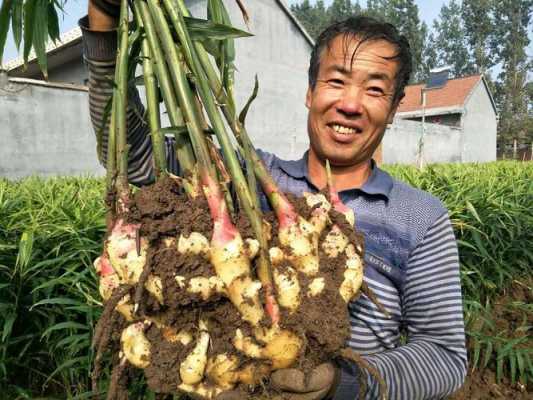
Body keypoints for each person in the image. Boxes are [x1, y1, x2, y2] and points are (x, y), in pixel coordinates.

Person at [81, 1, 467, 399]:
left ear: (393, 108)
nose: (351, 104)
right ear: (310, 91)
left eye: (374, 89)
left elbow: (445, 357)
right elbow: (131, 150)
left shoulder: (420, 217)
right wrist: (105, 28)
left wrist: (343, 383)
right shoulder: (243, 177)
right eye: (337, 81)